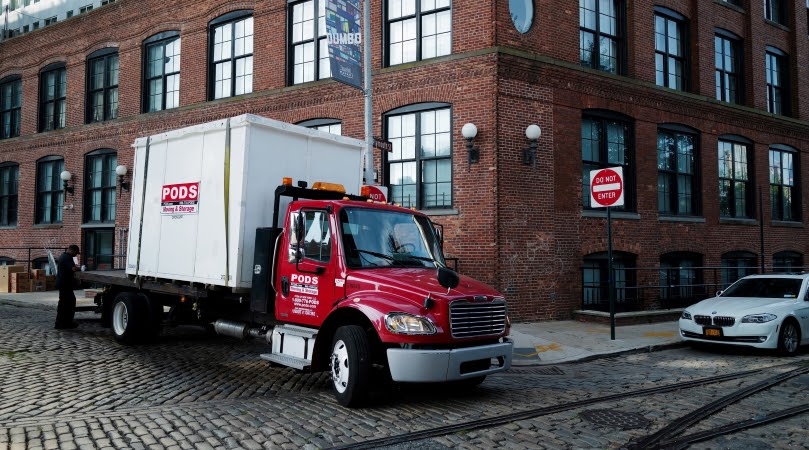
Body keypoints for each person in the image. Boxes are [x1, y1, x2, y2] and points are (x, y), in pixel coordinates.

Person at [54, 245, 81, 329]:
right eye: (76, 253)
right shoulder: (66, 257)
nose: (76, 255)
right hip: (65, 284)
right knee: (67, 303)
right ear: (72, 251)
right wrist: (80, 268)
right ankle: (65, 323)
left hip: (63, 283)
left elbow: (72, 267)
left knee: (65, 303)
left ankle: (62, 323)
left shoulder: (64, 256)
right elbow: (73, 268)